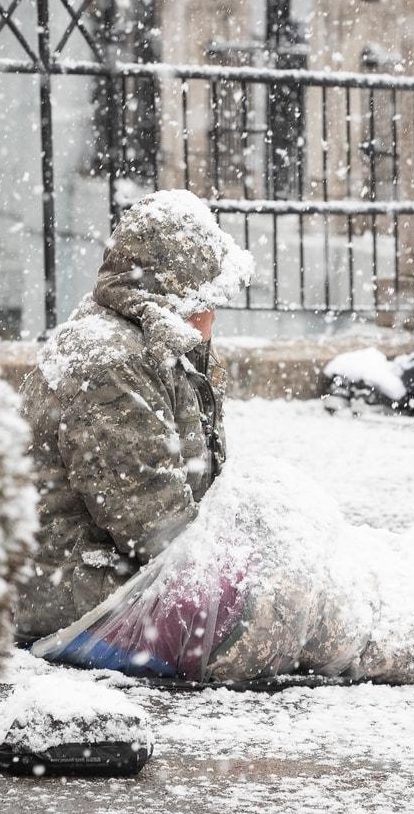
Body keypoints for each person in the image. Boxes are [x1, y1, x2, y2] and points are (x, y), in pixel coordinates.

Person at [14, 190, 251, 642]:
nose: (214, 314)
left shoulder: (152, 347)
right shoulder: (113, 364)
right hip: (74, 593)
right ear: (178, 296)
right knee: (278, 618)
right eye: (208, 298)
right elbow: (158, 531)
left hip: (100, 579)